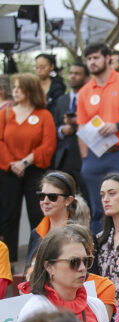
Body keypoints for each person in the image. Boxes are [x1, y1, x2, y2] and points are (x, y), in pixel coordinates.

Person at [77, 42, 119, 233]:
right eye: (89, 59)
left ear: (108, 58)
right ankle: (98, 248)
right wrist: (84, 159)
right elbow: (81, 126)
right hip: (94, 155)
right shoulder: (85, 91)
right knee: (98, 209)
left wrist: (117, 126)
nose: (92, 62)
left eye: (96, 57)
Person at [0, 73, 56, 262]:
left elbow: (48, 144)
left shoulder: (44, 115)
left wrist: (25, 162)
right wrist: (12, 164)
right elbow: (0, 141)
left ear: (30, 90)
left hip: (34, 169)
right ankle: (9, 259)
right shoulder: (6, 113)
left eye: (19, 87)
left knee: (37, 212)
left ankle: (38, 257)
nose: (14, 91)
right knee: (8, 214)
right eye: (14, 87)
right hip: (8, 170)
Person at [25, 171, 84, 270]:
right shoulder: (36, 233)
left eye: (53, 197)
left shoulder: (78, 235)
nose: (45, 201)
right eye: (42, 196)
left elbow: (87, 277)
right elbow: (26, 275)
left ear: (68, 200)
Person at [50, 61, 90, 199]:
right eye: (71, 73)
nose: (73, 77)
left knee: (86, 198)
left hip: (84, 156)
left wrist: (77, 124)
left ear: (86, 78)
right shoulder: (62, 100)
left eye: (77, 74)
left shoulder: (90, 99)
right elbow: (53, 127)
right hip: (63, 158)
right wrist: (62, 130)